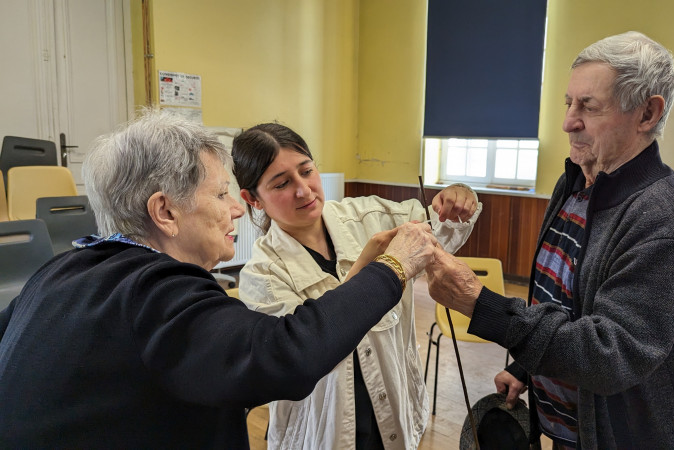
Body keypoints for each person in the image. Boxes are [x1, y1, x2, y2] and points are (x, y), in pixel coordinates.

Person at [0, 110, 440, 448]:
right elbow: (284, 355)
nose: (234, 210)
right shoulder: (157, 293)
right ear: (165, 212)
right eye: (221, 194)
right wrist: (394, 268)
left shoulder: (57, 270)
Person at [426, 31, 674, 449]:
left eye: (588, 106)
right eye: (568, 102)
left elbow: (609, 355)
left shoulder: (665, 217)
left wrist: (481, 304)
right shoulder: (576, 185)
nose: (568, 122)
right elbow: (566, 305)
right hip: (573, 430)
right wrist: (526, 367)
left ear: (647, 114)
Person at [231, 122, 481, 450]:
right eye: (282, 184)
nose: (303, 190)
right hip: (323, 432)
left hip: (394, 415)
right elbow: (307, 350)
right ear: (253, 199)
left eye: (307, 171)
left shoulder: (369, 216)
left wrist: (459, 198)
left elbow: (441, 229)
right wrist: (371, 269)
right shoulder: (262, 275)